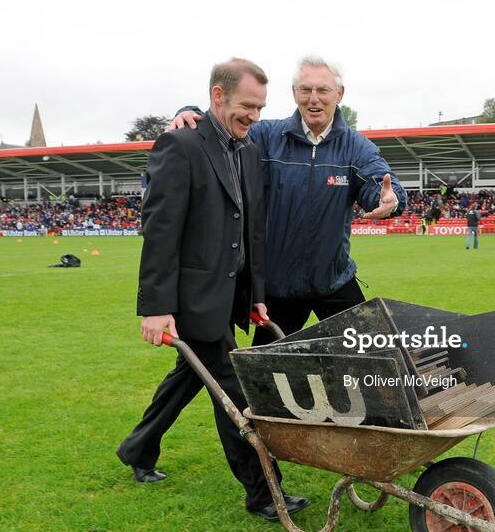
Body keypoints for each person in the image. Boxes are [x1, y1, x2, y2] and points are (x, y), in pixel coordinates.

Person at [118, 58, 308, 521]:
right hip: (193, 300)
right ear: (218, 97)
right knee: (233, 394)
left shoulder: (246, 150)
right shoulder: (179, 146)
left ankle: (138, 449)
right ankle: (264, 492)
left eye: (261, 108)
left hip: (231, 297)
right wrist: (156, 308)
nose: (255, 117)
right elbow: (160, 231)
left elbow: (251, 231)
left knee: (188, 378)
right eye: (248, 106)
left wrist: (257, 293)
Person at [170, 55, 408, 344]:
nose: (313, 99)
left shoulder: (356, 147)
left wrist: (390, 199)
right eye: (305, 90)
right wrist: (189, 111)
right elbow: (224, 124)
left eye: (322, 90)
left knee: (375, 355)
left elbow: (379, 181)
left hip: (334, 283)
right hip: (278, 290)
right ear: (295, 92)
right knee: (267, 378)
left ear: (339, 94)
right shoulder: (266, 137)